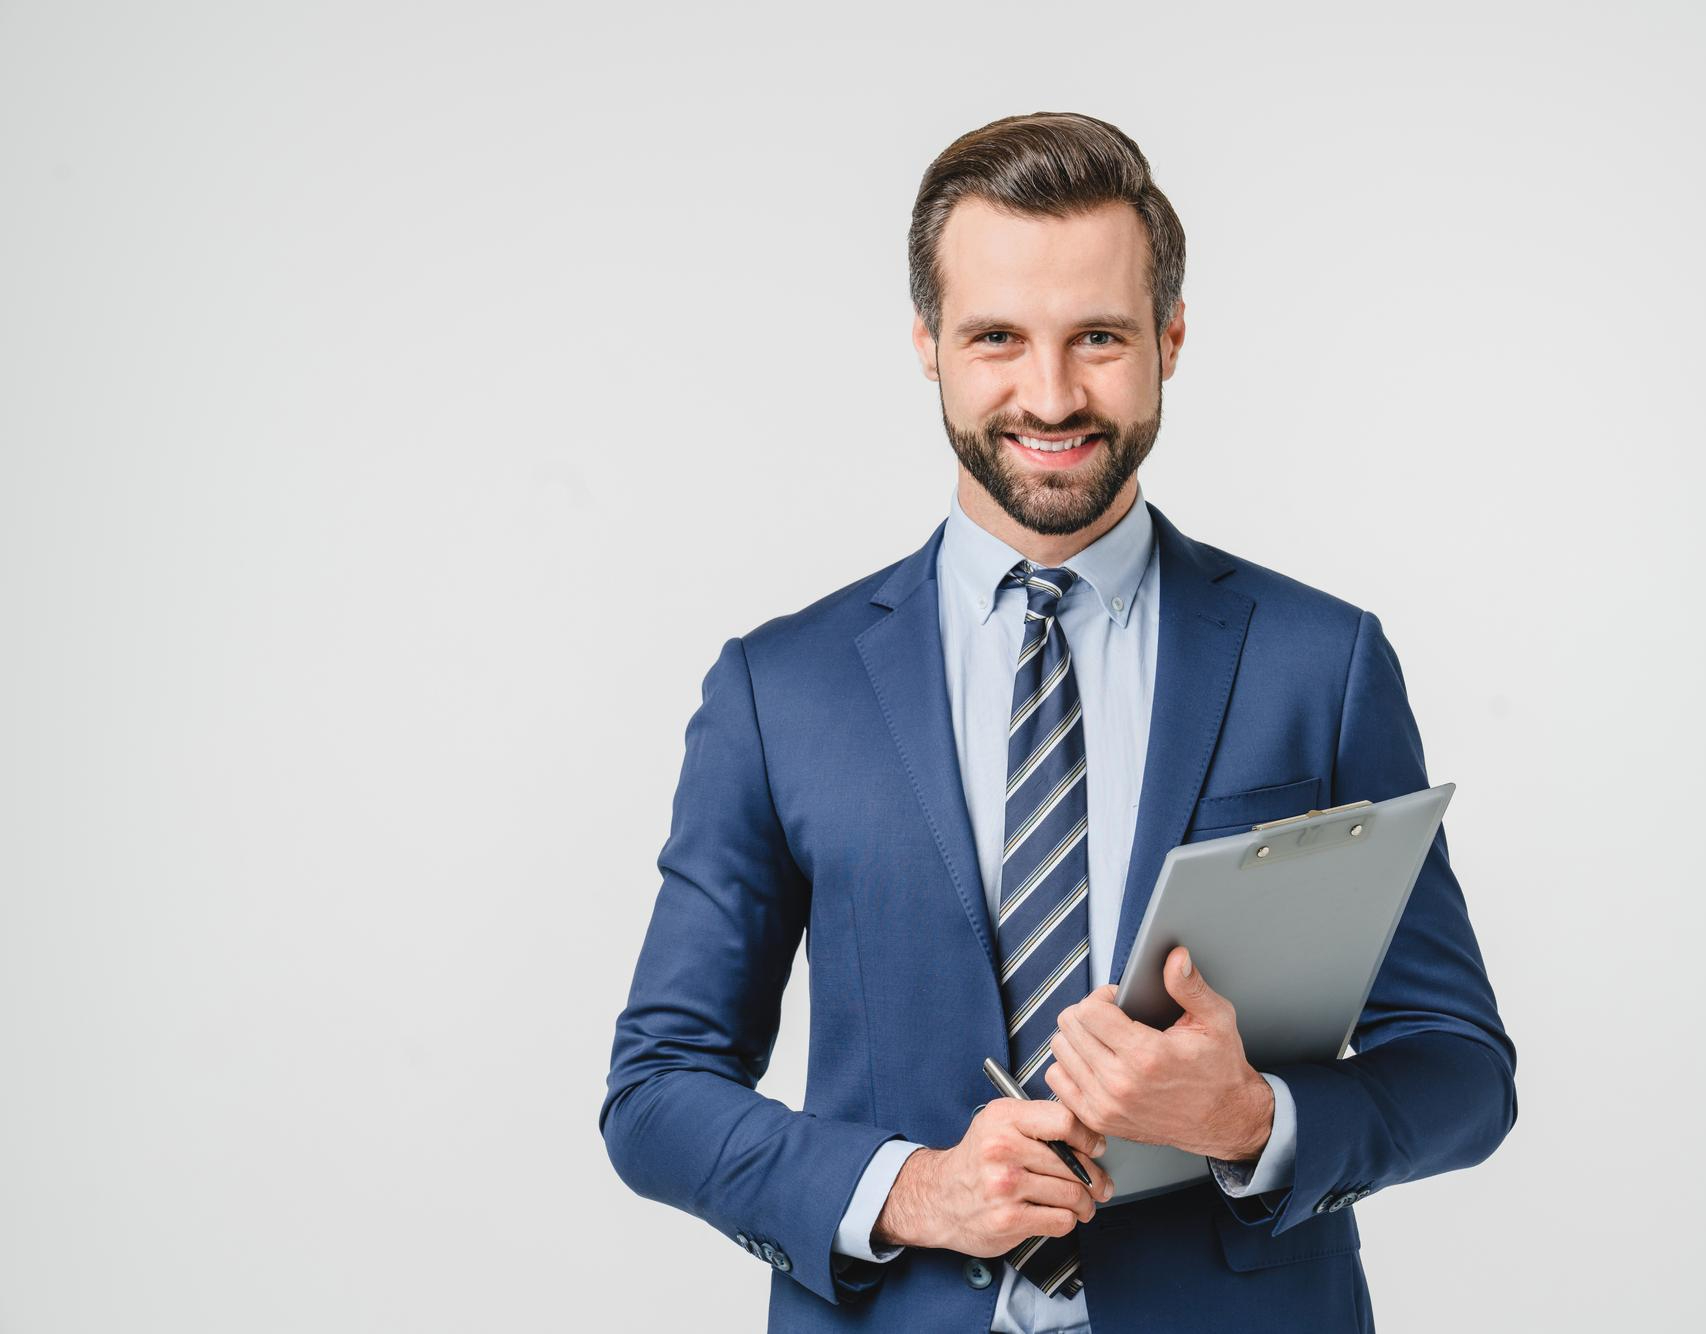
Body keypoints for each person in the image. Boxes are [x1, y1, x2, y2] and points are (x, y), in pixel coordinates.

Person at [601, 111, 1518, 1333]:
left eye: (1098, 337)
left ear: (1169, 340)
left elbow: (1460, 1067)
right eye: (996, 338)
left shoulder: (1320, 661)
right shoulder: (781, 689)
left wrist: (1251, 1118)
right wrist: (911, 1190)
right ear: (926, 343)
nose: (1049, 395)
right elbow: (656, 1089)